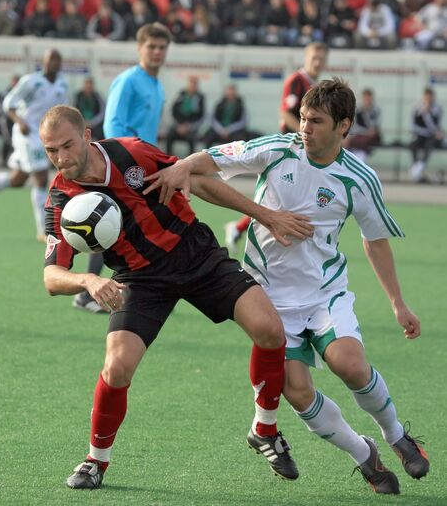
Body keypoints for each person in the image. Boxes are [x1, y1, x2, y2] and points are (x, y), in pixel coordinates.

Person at [145, 78, 430, 495]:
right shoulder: (278, 149)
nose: (305, 128)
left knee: (349, 365)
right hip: (269, 297)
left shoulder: (360, 178)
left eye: (315, 121)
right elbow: (207, 163)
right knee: (297, 392)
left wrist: (397, 303)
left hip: (324, 292)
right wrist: (186, 168)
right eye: (302, 118)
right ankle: (364, 456)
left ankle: (396, 436)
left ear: (343, 126)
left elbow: (374, 240)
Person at [40, 104, 315, 490]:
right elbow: (52, 277)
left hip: (197, 255)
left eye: (67, 145)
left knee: (269, 329)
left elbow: (197, 180)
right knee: (116, 367)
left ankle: (264, 429)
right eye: (51, 151)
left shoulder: (130, 153)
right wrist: (87, 281)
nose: (61, 158)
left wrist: (265, 215)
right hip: (141, 278)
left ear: (86, 135)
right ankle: (94, 461)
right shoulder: (61, 199)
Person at [74, 22, 171, 314]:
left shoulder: (157, 85)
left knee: (132, 227)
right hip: (126, 166)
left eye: (162, 47)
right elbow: (113, 124)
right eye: (151, 47)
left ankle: (139, 290)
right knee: (110, 226)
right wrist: (127, 163)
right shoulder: (128, 80)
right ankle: (89, 294)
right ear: (139, 48)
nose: (156, 52)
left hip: (147, 165)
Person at [225, 41, 328, 256]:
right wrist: (303, 136)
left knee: (285, 199)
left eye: (321, 58)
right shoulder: (297, 82)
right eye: (314, 58)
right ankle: (240, 228)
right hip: (288, 149)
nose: (318, 62)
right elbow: (286, 114)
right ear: (306, 58)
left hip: (303, 150)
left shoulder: (316, 84)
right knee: (277, 199)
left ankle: (240, 227)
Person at [0, 49, 69, 242]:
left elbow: (63, 110)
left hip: (44, 136)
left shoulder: (62, 84)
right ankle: (43, 230)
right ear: (44, 61)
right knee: (41, 177)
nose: (55, 63)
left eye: (58, 59)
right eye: (51, 59)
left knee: (17, 180)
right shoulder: (31, 81)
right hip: (26, 134)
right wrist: (20, 121)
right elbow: (8, 103)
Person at [409, 87, 444, 183]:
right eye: (426, 97)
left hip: (432, 136)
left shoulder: (437, 109)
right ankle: (417, 168)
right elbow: (413, 125)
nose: (428, 99)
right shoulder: (417, 108)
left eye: (430, 97)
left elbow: (435, 127)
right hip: (420, 134)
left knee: (430, 144)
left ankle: (418, 169)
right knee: (413, 145)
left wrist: (428, 114)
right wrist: (423, 112)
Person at [165, 75, 206, 156]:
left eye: (195, 84)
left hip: (191, 127)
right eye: (191, 83)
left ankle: (190, 160)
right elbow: (173, 111)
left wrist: (189, 127)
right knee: (169, 135)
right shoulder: (181, 95)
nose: (192, 86)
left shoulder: (200, 97)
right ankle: (168, 158)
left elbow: (201, 116)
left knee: (192, 138)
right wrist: (178, 126)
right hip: (178, 126)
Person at [344, 88, 381, 162]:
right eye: (365, 99)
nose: (367, 101)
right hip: (361, 134)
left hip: (371, 135)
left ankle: (360, 153)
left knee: (368, 138)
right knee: (349, 139)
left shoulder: (376, 110)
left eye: (369, 99)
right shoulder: (358, 110)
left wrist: (367, 113)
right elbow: (355, 126)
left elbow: (374, 126)